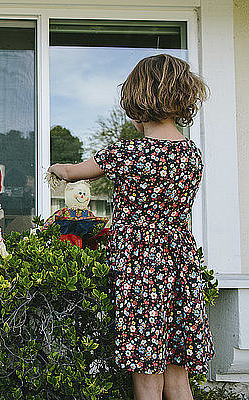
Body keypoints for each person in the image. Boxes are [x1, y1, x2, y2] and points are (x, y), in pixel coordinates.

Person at [49, 54, 212, 400]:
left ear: (139, 102)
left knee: (147, 375)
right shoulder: (192, 155)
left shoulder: (127, 153)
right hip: (180, 265)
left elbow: (73, 172)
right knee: (178, 376)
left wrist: (56, 166)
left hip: (142, 270)